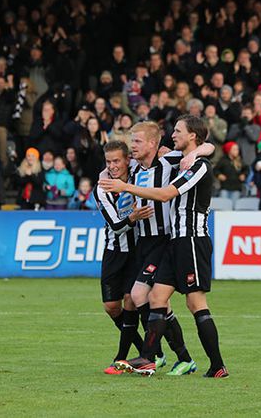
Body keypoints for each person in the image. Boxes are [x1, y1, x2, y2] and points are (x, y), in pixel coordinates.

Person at [100, 115, 228, 378]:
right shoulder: (139, 167)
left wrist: (126, 187)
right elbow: (114, 166)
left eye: (178, 131)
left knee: (194, 302)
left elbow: (169, 191)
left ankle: (214, 365)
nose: (173, 135)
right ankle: (151, 357)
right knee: (154, 297)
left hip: (189, 239)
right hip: (168, 242)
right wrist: (109, 173)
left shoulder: (182, 162)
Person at [93, 140, 154, 374]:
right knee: (111, 307)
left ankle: (121, 358)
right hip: (114, 251)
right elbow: (117, 227)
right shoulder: (102, 188)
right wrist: (134, 217)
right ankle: (144, 349)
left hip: (137, 251)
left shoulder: (138, 174)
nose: (112, 166)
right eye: (108, 162)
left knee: (130, 300)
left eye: (116, 160)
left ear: (127, 160)